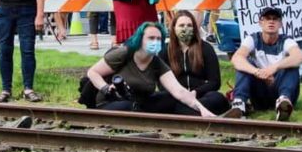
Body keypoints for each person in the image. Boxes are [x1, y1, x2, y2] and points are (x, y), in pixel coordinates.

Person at [84, 21, 214, 116]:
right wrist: (106, 88)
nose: (155, 42)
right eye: (151, 38)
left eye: (158, 39)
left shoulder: (157, 63)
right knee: (127, 107)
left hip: (140, 105)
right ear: (140, 39)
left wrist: (202, 108)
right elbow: (93, 72)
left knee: (170, 98)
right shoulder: (124, 53)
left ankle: (201, 118)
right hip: (111, 103)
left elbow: (179, 91)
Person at [226, 6, 302, 121]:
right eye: (267, 18)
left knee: (291, 66)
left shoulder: (286, 40)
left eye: (275, 19)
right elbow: (236, 58)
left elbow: (300, 56)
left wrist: (274, 68)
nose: (271, 21)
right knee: (245, 63)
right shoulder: (253, 39)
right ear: (260, 22)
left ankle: (284, 103)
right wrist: (257, 72)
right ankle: (239, 104)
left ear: (280, 24)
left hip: (279, 86)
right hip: (260, 91)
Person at [166, 10, 230, 115]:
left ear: (194, 28)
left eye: (189, 25)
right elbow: (162, 84)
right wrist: (182, 95)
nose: (185, 29)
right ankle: (197, 114)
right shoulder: (165, 51)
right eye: (181, 25)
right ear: (173, 28)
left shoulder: (206, 48)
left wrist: (195, 93)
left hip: (201, 96)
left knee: (217, 98)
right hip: (176, 97)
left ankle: (186, 114)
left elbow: (215, 82)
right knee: (160, 100)